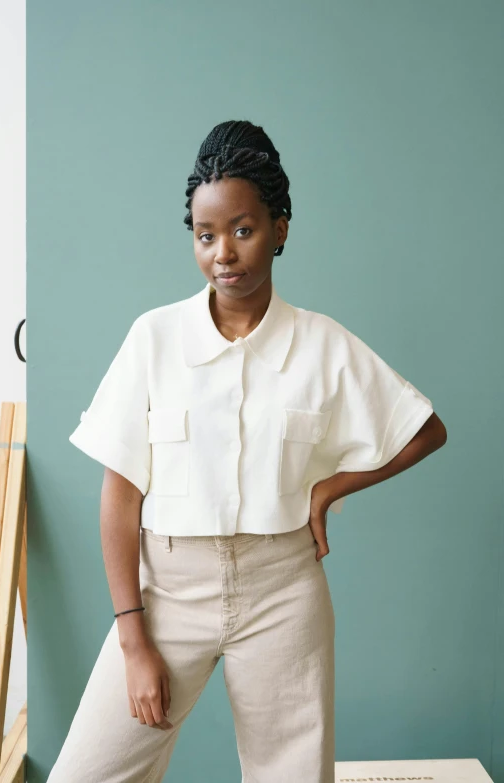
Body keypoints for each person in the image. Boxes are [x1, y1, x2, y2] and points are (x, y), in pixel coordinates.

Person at [47, 119, 447, 783]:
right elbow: (119, 494)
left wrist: (328, 488)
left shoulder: (321, 345)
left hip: (283, 589)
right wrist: (132, 634)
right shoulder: (153, 339)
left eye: (242, 229)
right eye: (205, 236)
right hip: (168, 588)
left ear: (280, 227)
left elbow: (423, 428)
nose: (223, 253)